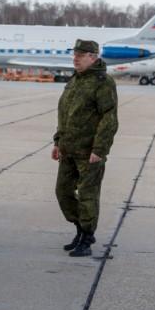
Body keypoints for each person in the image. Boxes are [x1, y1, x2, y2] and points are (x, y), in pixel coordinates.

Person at [52, 39, 118, 258]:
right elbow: (65, 114)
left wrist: (99, 150)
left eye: (80, 55)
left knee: (88, 196)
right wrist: (57, 142)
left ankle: (87, 237)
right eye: (74, 55)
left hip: (89, 152)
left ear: (93, 57)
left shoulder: (103, 82)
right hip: (68, 149)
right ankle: (79, 230)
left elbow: (109, 119)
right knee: (63, 192)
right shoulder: (75, 80)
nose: (75, 59)